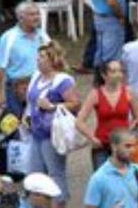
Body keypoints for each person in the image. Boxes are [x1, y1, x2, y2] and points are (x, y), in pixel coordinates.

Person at [25, 42, 79, 208]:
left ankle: (59, 204)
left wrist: (53, 106)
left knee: (56, 173)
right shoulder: (36, 77)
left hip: (53, 134)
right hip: (36, 132)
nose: (38, 60)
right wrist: (25, 116)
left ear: (52, 59)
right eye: (38, 56)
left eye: (42, 57)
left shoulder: (63, 81)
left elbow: (75, 103)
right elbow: (30, 101)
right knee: (34, 172)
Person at [75, 60, 138, 170]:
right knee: (102, 179)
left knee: (124, 179)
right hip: (102, 144)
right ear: (104, 75)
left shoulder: (129, 92)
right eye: (113, 71)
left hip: (123, 145)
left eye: (120, 71)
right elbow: (79, 122)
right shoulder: (95, 94)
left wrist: (129, 132)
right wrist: (92, 138)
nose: (118, 75)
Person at [84, 127, 138, 208]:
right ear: (114, 147)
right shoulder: (99, 178)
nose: (132, 150)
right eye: (128, 146)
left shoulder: (137, 170)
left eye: (134, 146)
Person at [0, 2, 48, 116]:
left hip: (41, 86)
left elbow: (54, 60)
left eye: (38, 14)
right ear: (21, 17)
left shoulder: (43, 36)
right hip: (18, 89)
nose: (37, 17)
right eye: (32, 14)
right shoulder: (8, 38)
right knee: (18, 126)